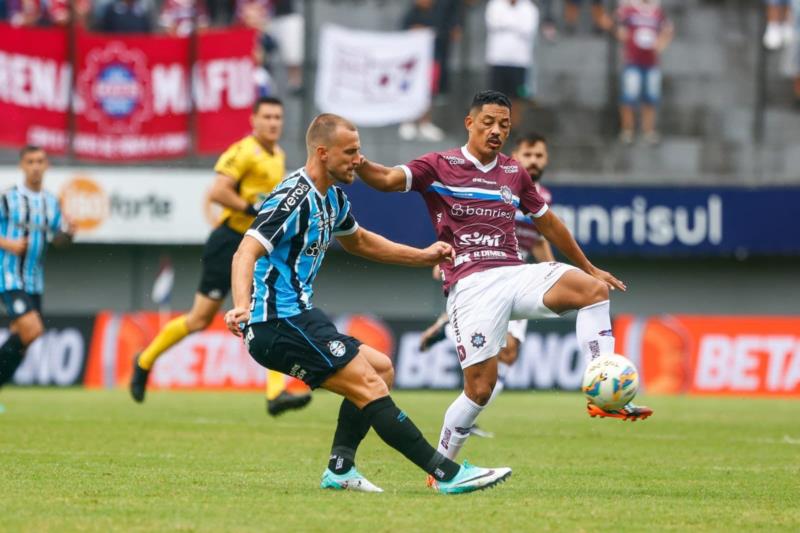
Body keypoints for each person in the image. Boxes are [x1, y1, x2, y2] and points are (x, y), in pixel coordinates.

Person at [356, 90, 653, 464]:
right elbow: (384, 179)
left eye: (504, 125)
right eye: (489, 123)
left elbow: (549, 224)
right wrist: (357, 161)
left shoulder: (514, 173)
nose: (497, 131)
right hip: (471, 286)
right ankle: (441, 466)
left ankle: (601, 388)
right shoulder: (438, 165)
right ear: (470, 123)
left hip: (514, 274)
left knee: (592, 290)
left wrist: (589, 266)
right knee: (479, 391)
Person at [223, 113, 511, 494]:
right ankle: (447, 474)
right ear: (323, 153)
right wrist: (240, 305)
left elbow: (360, 241)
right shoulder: (295, 196)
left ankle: (340, 468)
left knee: (382, 368)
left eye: (359, 151)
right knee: (369, 385)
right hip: (275, 322)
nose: (358, 160)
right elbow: (245, 251)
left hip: (299, 317)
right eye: (350, 152)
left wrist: (422, 256)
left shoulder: (334, 198)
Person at [130, 97, 312, 417]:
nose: (273, 123)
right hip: (228, 240)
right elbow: (218, 192)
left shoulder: (279, 155)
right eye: (267, 116)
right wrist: (251, 208)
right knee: (199, 319)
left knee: (267, 311)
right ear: (253, 120)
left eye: (278, 117)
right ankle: (144, 361)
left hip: (256, 244)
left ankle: (275, 393)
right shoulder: (243, 152)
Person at [418, 132, 555, 410]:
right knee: (494, 351)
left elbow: (538, 241)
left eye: (539, 155)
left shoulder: (543, 197)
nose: (533, 161)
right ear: (514, 158)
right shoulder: (498, 187)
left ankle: (471, 412)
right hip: (483, 274)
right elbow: (467, 222)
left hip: (517, 277)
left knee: (510, 354)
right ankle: (449, 333)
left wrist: (553, 273)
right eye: (527, 155)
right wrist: (444, 258)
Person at [0, 146, 73, 410]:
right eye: (30, 161)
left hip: (34, 280)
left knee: (23, 339)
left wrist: (69, 233)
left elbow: (58, 240)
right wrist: (7, 243)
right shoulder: (8, 198)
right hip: (8, 276)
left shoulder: (51, 202)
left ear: (47, 165)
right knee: (34, 329)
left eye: (40, 161)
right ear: (22, 165)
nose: (35, 166)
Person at [616, 0, 673, 145]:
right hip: (632, 61)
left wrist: (660, 44)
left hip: (651, 63)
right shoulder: (629, 9)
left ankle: (649, 131)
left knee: (651, 98)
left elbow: (668, 30)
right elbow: (619, 28)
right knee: (629, 96)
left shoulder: (657, 12)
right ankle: (627, 130)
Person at [485, 0, 539, 129]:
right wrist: (515, 24)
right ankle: (495, 128)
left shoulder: (529, 8)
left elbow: (528, 29)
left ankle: (513, 128)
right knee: (495, 97)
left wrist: (505, 24)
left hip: (520, 61)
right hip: (497, 59)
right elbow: (493, 24)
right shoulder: (494, 4)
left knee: (517, 97)